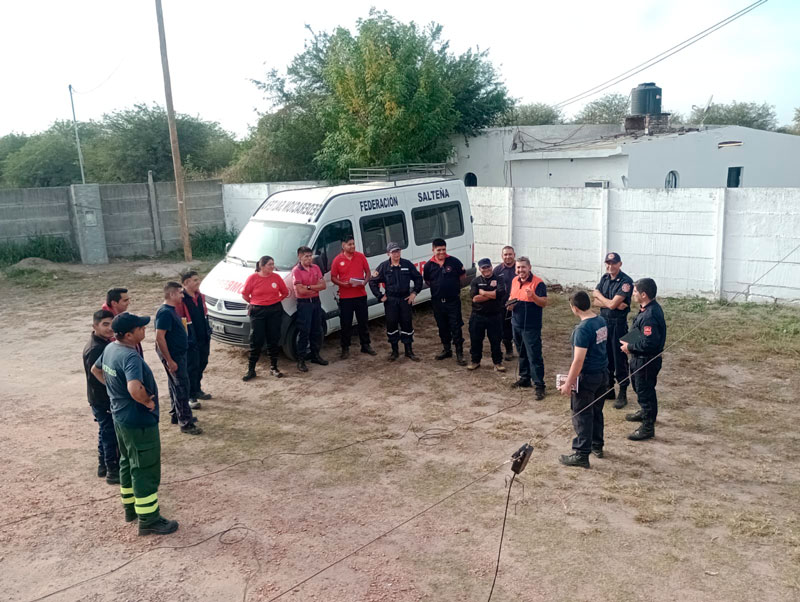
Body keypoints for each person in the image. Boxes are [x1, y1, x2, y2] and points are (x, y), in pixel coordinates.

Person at [90, 312, 179, 535]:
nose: (144, 329)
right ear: (129, 334)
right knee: (145, 469)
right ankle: (149, 519)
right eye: (140, 327)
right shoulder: (130, 357)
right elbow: (134, 388)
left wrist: (114, 392)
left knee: (127, 462)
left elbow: (96, 370)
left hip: (120, 418)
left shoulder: (111, 348)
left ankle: (131, 509)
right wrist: (147, 401)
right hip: (138, 422)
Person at [558, 291, 609, 469]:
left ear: (575, 308)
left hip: (588, 378)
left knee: (582, 414)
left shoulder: (582, 330)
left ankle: (581, 453)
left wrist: (568, 384)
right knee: (596, 411)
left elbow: (578, 360)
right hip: (603, 374)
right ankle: (597, 444)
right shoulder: (600, 320)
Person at [620, 278, 666, 441]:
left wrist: (630, 347)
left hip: (645, 361)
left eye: (635, 292)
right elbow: (639, 329)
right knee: (644, 390)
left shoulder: (650, 315)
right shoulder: (647, 309)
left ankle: (647, 427)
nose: (632, 294)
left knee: (644, 391)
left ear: (644, 294)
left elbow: (650, 342)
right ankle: (646, 413)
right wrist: (628, 339)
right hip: (641, 359)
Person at [155, 282, 202, 434]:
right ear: (172, 294)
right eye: (180, 293)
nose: (183, 296)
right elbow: (159, 338)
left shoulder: (170, 310)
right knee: (182, 387)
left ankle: (177, 414)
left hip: (178, 354)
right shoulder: (164, 313)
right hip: (174, 356)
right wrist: (169, 360)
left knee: (175, 386)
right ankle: (186, 422)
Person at [369, 242, 424, 361]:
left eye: (398, 251)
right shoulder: (383, 266)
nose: (396, 254)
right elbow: (372, 281)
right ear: (388, 253)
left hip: (405, 299)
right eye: (393, 252)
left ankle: (409, 351)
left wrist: (414, 293)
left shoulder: (407, 264)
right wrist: (380, 296)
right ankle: (394, 351)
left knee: (407, 324)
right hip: (391, 301)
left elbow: (418, 278)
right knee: (392, 324)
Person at [82, 309, 119, 484]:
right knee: (109, 433)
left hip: (100, 398)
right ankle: (112, 470)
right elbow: (98, 375)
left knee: (105, 431)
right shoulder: (96, 349)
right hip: (102, 398)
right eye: (105, 324)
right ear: (94, 326)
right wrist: (115, 390)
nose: (109, 328)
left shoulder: (102, 343)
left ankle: (103, 465)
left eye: (111, 323)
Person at [593, 252, 634, 409]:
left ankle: (622, 391)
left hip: (618, 324)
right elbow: (595, 301)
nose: (610, 266)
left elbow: (605, 302)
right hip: (604, 322)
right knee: (605, 356)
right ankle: (608, 388)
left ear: (620, 264)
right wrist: (610, 302)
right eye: (608, 263)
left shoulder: (626, 282)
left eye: (614, 263)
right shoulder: (605, 278)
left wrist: (604, 300)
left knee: (619, 358)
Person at [241, 256, 290, 381]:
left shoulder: (276, 277)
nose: (272, 267)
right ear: (262, 266)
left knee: (273, 338)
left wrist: (275, 301)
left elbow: (285, 292)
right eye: (269, 264)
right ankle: (251, 369)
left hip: (274, 310)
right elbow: (245, 294)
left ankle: (274, 367)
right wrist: (254, 302)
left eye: (273, 264)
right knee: (256, 340)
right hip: (258, 311)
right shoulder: (253, 278)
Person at [508, 256, 548, 400]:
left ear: (529, 267)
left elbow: (543, 303)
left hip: (531, 326)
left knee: (534, 356)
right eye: (518, 267)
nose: (521, 270)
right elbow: (511, 297)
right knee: (521, 353)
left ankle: (539, 385)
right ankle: (524, 378)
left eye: (523, 267)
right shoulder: (514, 281)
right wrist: (509, 305)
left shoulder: (538, 283)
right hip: (516, 323)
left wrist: (533, 297)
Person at [330, 235, 376, 359]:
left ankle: (365, 345)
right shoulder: (337, 260)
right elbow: (333, 277)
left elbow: (368, 273)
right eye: (349, 244)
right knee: (346, 324)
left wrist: (364, 282)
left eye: (353, 244)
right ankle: (345, 348)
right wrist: (342, 284)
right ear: (343, 245)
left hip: (360, 295)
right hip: (346, 297)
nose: (352, 246)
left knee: (363, 322)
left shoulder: (360, 256)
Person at [423, 238, 467, 365]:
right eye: (438, 250)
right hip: (437, 302)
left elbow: (462, 276)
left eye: (443, 249)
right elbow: (427, 280)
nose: (441, 252)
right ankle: (447, 350)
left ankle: (459, 353)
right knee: (442, 327)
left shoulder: (454, 261)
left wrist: (452, 287)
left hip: (453, 301)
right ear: (433, 250)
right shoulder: (428, 265)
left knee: (456, 326)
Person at [292, 246, 328, 372]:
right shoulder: (296, 271)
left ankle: (315, 355)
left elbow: (323, 286)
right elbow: (300, 291)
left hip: (316, 302)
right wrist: (313, 287)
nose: (309, 258)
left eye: (310, 256)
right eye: (306, 256)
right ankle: (301, 360)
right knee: (304, 331)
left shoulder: (316, 267)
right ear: (299, 257)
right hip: (304, 303)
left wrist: (308, 287)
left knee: (316, 330)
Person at [467, 258, 506, 372]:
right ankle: (475, 361)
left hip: (495, 315)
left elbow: (499, 294)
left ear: (491, 267)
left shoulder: (499, 279)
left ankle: (498, 362)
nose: (486, 269)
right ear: (480, 269)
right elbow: (475, 298)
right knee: (475, 339)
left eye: (488, 266)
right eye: (483, 267)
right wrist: (492, 294)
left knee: (496, 340)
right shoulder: (475, 281)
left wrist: (483, 292)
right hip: (477, 315)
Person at [180, 270, 213, 403]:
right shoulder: (181, 299)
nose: (198, 282)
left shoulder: (200, 296)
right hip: (191, 339)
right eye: (195, 280)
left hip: (203, 335)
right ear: (186, 282)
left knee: (202, 362)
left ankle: (197, 389)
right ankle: (190, 394)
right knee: (191, 366)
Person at [493, 246, 517, 361]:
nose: (508, 256)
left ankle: (522, 350)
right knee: (505, 329)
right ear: (502, 256)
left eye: (510, 254)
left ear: (514, 255)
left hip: (519, 304)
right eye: (505, 254)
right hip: (503, 305)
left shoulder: (520, 268)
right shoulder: (497, 270)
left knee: (518, 328)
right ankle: (509, 350)